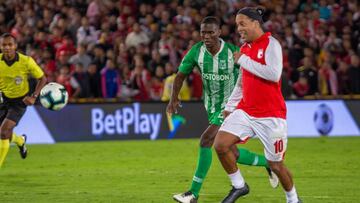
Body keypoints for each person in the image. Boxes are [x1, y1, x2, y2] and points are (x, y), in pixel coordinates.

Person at [167, 16, 278, 203]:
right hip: (211, 106)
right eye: (203, 32)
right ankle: (269, 163)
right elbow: (180, 76)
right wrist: (173, 99)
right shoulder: (196, 52)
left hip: (232, 107)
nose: (206, 36)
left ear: (219, 32)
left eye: (211, 32)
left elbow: (254, 74)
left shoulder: (233, 52)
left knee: (206, 141)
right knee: (231, 152)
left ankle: (193, 193)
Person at [213, 8, 301, 203]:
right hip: (246, 111)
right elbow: (242, 82)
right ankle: (239, 186)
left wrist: (243, 60)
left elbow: (273, 74)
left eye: (242, 23)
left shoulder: (271, 44)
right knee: (220, 145)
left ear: (255, 23)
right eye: (237, 25)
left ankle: (293, 199)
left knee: (276, 164)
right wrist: (231, 105)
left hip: (271, 115)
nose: (239, 28)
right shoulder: (245, 48)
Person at [0, 33, 47, 167]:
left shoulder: (26, 61)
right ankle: (20, 141)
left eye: (10, 44)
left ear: (15, 46)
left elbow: (42, 78)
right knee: (4, 132)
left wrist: (34, 96)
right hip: (4, 100)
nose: (7, 47)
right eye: (4, 45)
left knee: (3, 132)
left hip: (20, 102)